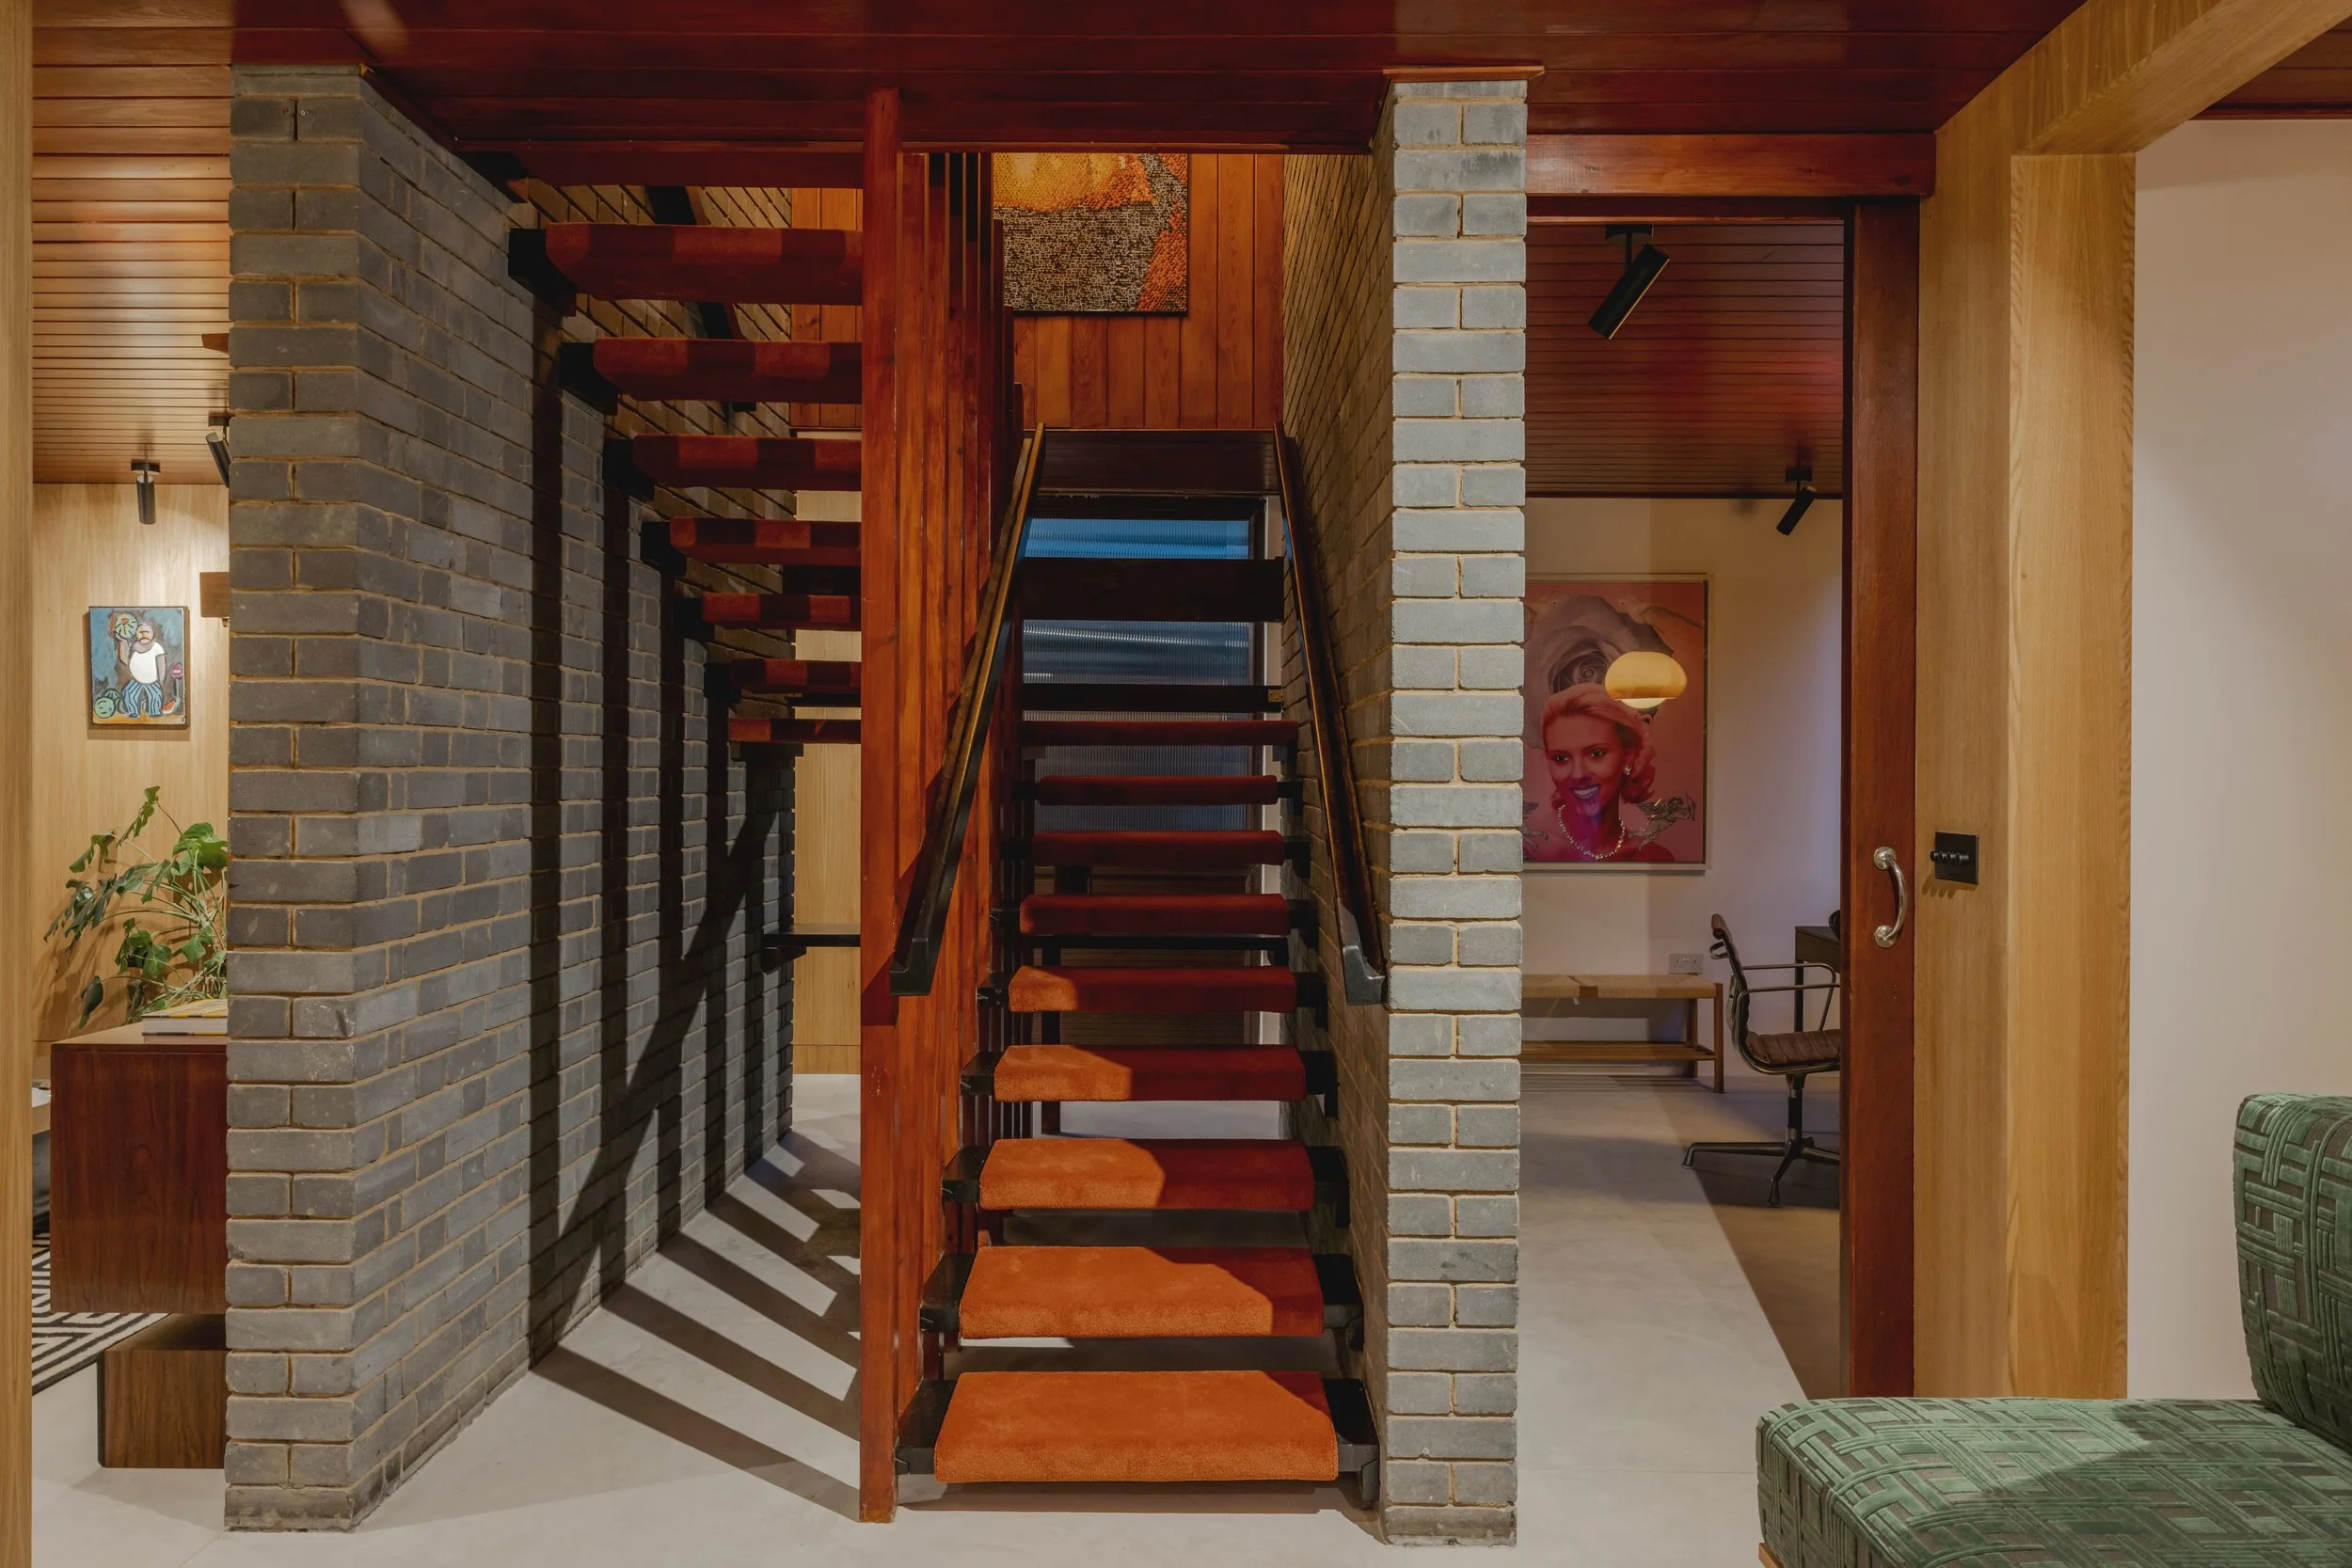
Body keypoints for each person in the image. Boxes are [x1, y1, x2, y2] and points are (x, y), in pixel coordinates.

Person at [1523, 683, 1676, 863]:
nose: (1578, 774)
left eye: (1596, 754)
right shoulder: (1529, 847)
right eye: (1561, 758)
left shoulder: (1653, 857)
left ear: (1628, 757)